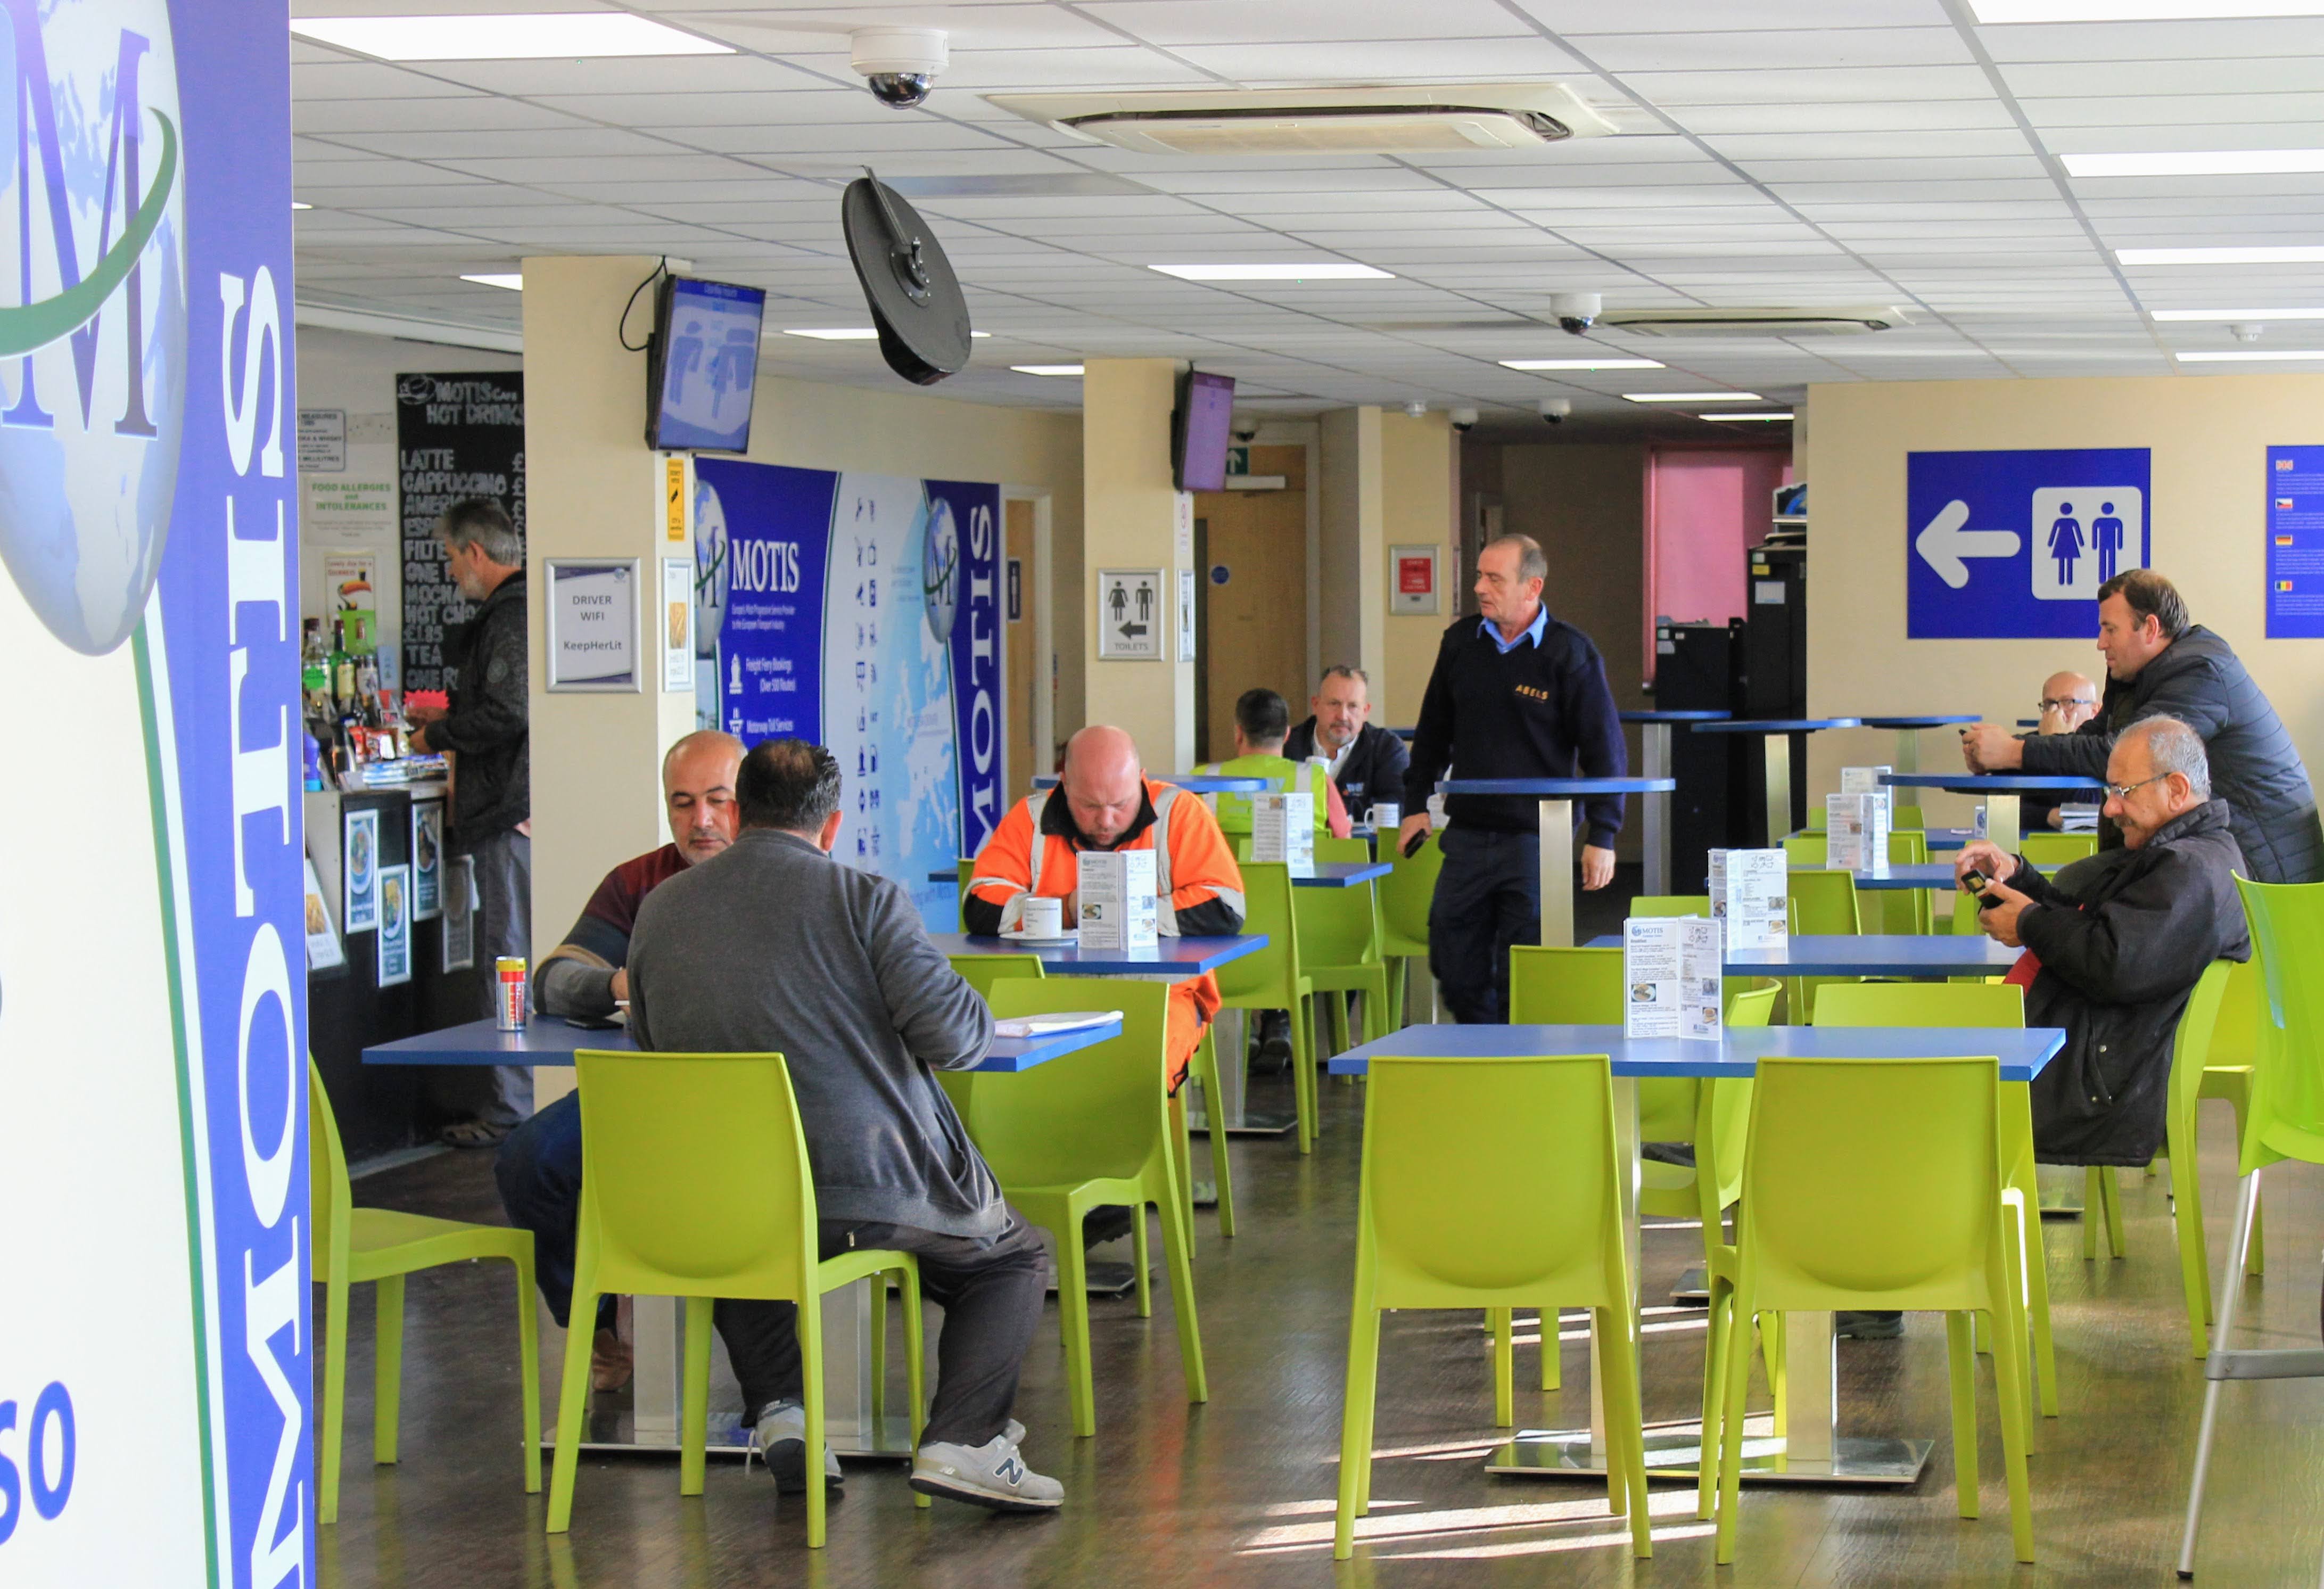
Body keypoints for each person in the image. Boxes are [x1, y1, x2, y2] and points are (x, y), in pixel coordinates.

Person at [628, 738, 1062, 1513]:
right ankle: (964, 1439)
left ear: (739, 812)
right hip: (865, 1190)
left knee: (750, 1222)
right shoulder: (864, 899)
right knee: (1012, 1258)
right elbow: (958, 1038)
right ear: (831, 826)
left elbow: (649, 1044)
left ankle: (782, 1410)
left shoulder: (660, 910)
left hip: (717, 1201)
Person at [493, 730, 744, 1395]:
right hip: (643, 1092)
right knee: (528, 1159)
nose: (702, 819)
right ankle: (599, 1325)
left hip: (756, 1099)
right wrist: (621, 983)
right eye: (683, 803)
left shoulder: (784, 878)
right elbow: (553, 979)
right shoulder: (638, 880)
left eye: (719, 800)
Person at [1954, 716, 2251, 1164]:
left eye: (2123, 791)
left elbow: (2112, 961)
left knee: (1910, 1073)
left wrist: (2029, 922)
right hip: (2088, 1067)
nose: (2110, 808)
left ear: (2176, 788)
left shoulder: (2188, 871)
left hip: (2086, 1089)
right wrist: (2019, 877)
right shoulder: (2191, 856)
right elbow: (2090, 925)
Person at [1962, 569, 2324, 883]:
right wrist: (2003, 754)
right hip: (2210, 853)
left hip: (2261, 870)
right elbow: (2092, 738)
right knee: (2081, 885)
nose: (2100, 643)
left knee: (2081, 888)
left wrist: (2015, 751)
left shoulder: (2200, 672)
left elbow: (2123, 756)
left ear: (2150, 628)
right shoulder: (2137, 673)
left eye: (2110, 629)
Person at [1399, 533, 1627, 1025]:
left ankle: (1515, 1053)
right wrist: (1414, 805)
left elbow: (1605, 752)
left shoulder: (1570, 653)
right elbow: (1433, 733)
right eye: (1479, 576)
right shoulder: (1460, 644)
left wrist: (1603, 834)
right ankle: (1486, 1043)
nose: (1479, 587)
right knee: (1451, 952)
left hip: (1536, 837)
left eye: (1494, 578)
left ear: (1532, 587)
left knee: (1524, 961)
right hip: (1468, 834)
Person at [966, 725, 1244, 1090]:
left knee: (1134, 1083)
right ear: (1064, 785)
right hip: (1051, 999)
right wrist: (1066, 909)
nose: (1106, 820)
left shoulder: (1179, 813)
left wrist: (1123, 912)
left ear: (1141, 780)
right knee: (1001, 1082)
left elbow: (1225, 905)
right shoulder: (1031, 819)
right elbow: (981, 903)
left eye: (1120, 804)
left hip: (1162, 995)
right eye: (1090, 806)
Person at [405, 497, 530, 1147]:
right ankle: (521, 1105)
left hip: (508, 815)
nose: (452, 572)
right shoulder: (528, 609)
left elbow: (510, 711)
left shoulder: (507, 617)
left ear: (475, 553)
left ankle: (512, 1113)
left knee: (508, 964)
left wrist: (438, 736)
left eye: (453, 558)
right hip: (521, 813)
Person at [1196, 687, 1351, 839]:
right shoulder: (1317, 779)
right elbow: (1344, 844)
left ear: (1239, 734)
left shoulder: (1198, 781)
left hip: (1222, 858)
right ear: (1287, 734)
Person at [1283, 664, 1411, 825]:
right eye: (1334, 704)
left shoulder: (1387, 747)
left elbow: (1399, 803)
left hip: (1364, 841)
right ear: (1315, 705)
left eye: (1353, 706)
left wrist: (1340, 814)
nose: (1343, 716)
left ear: (1366, 711)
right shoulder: (1287, 744)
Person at [2021, 671, 2101, 833]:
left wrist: (2056, 743)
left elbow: (2085, 806)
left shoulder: (2103, 748)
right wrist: (2047, 815)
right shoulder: (2026, 746)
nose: (2056, 712)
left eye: (2068, 703)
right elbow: (2008, 808)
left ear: (2095, 710)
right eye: (2049, 704)